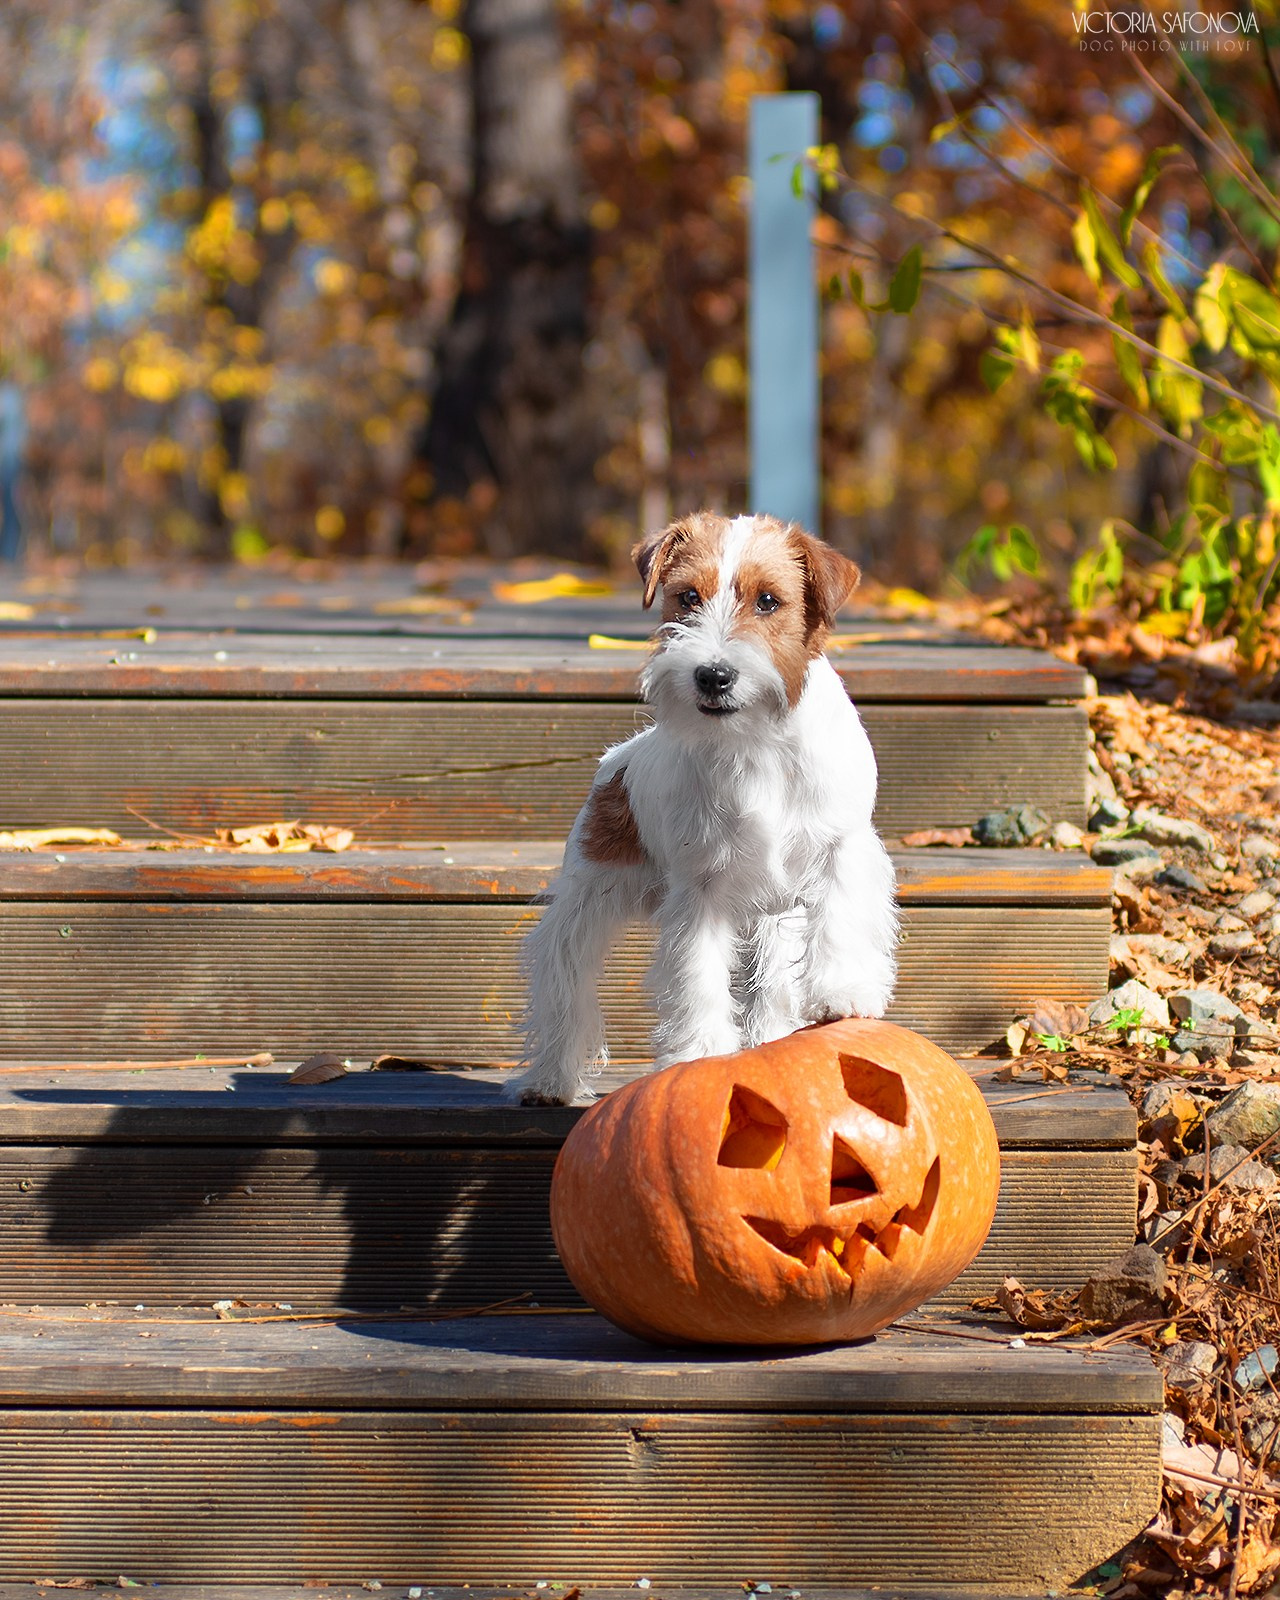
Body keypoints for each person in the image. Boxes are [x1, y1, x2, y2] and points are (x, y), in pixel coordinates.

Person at [0, 379, 28, 564]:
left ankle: (8, 555)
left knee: (12, 508)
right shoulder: (15, 396)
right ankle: (8, 555)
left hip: (11, 461)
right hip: (13, 459)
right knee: (12, 508)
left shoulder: (13, 396)